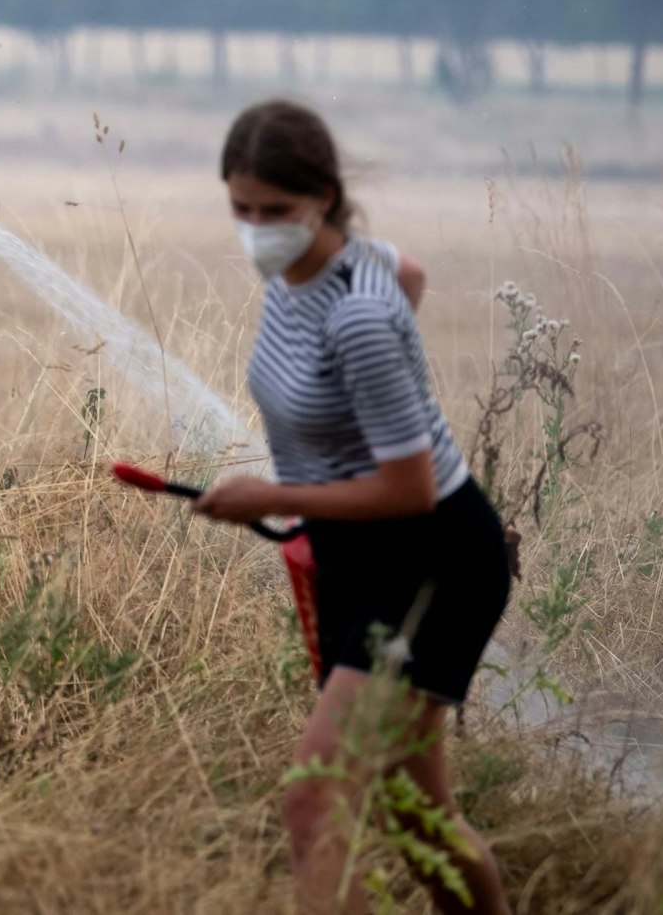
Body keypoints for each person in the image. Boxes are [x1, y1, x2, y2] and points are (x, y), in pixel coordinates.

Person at [191, 100, 512, 915]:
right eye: (243, 209)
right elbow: (412, 274)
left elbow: (410, 487)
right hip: (357, 552)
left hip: (430, 556)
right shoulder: (357, 268)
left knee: (315, 799)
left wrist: (267, 494)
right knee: (417, 817)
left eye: (278, 211)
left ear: (325, 198)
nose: (259, 228)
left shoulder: (361, 316)